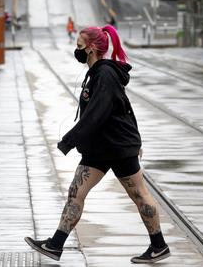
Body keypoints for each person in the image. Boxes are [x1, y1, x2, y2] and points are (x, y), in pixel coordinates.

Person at [25, 25, 171, 264]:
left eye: (80, 45)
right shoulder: (96, 73)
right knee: (76, 192)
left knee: (140, 196)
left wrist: (69, 140)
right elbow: (120, 108)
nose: (77, 50)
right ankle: (55, 244)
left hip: (118, 147)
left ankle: (159, 245)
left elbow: (97, 113)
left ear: (92, 48)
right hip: (100, 148)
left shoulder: (105, 75)